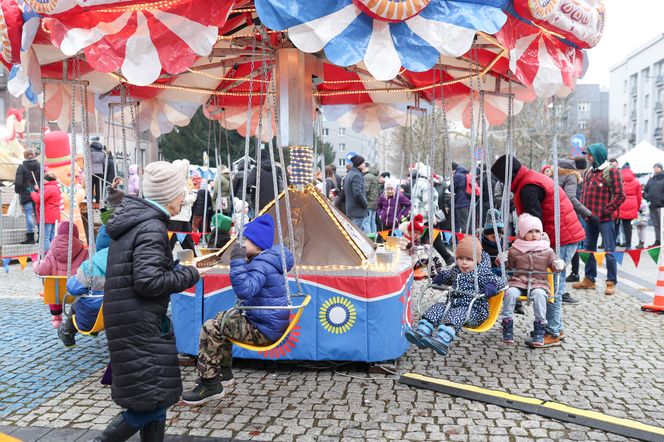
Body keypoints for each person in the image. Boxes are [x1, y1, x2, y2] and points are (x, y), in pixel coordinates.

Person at [96, 161, 202, 442]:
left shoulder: (138, 221)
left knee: (154, 394)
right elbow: (149, 282)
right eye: (181, 192)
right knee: (157, 397)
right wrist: (189, 274)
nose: (184, 198)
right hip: (139, 321)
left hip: (131, 317)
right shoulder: (152, 227)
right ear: (169, 194)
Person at [182, 214, 294, 405]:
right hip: (269, 323)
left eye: (245, 240)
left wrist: (237, 261)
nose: (241, 243)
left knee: (211, 327)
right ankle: (223, 372)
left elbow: (245, 290)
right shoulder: (267, 259)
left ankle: (210, 384)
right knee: (222, 318)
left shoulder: (261, 264)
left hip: (264, 330)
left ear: (256, 244)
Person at [491, 155, 584, 346]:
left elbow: (534, 224)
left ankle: (553, 331)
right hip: (562, 232)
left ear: (508, 176)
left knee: (553, 286)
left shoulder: (527, 188)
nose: (502, 184)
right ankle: (556, 326)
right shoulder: (529, 179)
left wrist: (518, 247)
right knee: (555, 285)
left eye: (501, 180)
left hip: (561, 236)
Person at [405, 236, 501, 356]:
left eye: (469, 259)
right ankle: (422, 332)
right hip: (453, 305)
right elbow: (448, 275)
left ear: (477, 260)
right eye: (460, 258)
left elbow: (498, 280)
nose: (464, 262)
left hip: (474, 311)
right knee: (437, 308)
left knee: (458, 313)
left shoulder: (482, 273)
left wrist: (491, 285)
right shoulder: (456, 270)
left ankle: (443, 339)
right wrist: (441, 277)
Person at [499, 214, 565, 346]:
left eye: (537, 231)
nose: (534, 234)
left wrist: (558, 265)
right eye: (530, 231)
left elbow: (554, 264)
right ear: (522, 233)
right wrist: (502, 260)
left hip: (539, 283)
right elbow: (508, 266)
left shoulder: (547, 250)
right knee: (510, 293)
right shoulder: (515, 249)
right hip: (518, 281)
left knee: (540, 295)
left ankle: (540, 329)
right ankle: (507, 324)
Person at [572, 143, 625, 296]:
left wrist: (606, 211)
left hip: (605, 219)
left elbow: (621, 195)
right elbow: (583, 193)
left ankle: (610, 282)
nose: (587, 157)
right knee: (589, 249)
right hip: (589, 218)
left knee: (609, 251)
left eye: (590, 154)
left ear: (597, 155)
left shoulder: (612, 172)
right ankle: (589, 279)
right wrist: (584, 211)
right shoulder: (589, 172)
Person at [58, 225, 111, 347]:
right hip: (122, 313)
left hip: (91, 317)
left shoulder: (90, 265)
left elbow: (73, 288)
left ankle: (67, 332)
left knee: (78, 301)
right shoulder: (129, 259)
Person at [33, 222, 89, 329]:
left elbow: (42, 269)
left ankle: (56, 317)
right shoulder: (83, 251)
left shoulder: (51, 251)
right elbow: (89, 269)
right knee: (85, 286)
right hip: (76, 292)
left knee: (53, 287)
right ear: (76, 234)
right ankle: (82, 316)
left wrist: (37, 264)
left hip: (57, 294)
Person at [556, 159, 592, 305]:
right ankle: (560, 293)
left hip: (554, 220)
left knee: (555, 260)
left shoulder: (553, 176)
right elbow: (570, 198)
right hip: (566, 220)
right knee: (562, 262)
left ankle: (557, 291)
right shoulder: (571, 176)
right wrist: (588, 213)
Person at [168, 160, 197, 254]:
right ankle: (164, 259)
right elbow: (179, 199)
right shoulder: (174, 182)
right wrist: (192, 198)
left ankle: (193, 259)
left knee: (187, 242)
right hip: (177, 217)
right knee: (170, 242)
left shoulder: (180, 182)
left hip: (183, 217)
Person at [15, 148, 41, 244]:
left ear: (24, 156)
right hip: (37, 193)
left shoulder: (21, 167)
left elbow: (18, 182)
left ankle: (30, 237)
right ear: (33, 155)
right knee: (38, 214)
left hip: (26, 194)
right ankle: (40, 236)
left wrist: (17, 191)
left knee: (29, 214)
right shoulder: (39, 165)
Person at [30, 171, 61, 252]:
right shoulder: (55, 187)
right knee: (52, 236)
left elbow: (38, 199)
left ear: (47, 180)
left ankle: (47, 255)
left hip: (47, 215)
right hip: (55, 215)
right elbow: (46, 197)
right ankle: (53, 254)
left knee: (45, 237)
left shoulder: (48, 188)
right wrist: (39, 190)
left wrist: (32, 193)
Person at [614, 164, 641, 249]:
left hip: (619, 203)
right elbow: (639, 196)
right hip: (631, 204)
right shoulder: (636, 181)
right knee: (628, 226)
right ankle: (628, 245)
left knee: (616, 225)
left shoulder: (618, 180)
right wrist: (638, 207)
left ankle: (613, 244)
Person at [343, 155, 368, 229]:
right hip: (357, 211)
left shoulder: (350, 173)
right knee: (356, 235)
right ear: (359, 164)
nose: (365, 165)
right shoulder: (356, 175)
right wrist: (365, 204)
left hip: (351, 210)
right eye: (363, 163)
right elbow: (357, 193)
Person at [644, 162, 664, 247]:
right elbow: (645, 190)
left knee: (662, 225)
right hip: (652, 205)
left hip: (662, 206)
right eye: (654, 167)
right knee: (656, 225)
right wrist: (647, 197)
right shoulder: (651, 179)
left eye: (657, 167)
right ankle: (658, 240)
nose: (656, 168)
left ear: (661, 168)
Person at [451, 164, 471, 233]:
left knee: (463, 225)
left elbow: (451, 188)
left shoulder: (458, 176)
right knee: (469, 224)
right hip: (468, 202)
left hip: (461, 203)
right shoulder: (466, 175)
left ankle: (466, 241)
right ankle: (471, 240)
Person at [363, 164, 380, 234]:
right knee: (372, 222)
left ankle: (369, 239)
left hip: (368, 202)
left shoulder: (367, 177)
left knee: (366, 222)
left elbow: (365, 190)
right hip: (375, 203)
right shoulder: (374, 177)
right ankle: (374, 238)